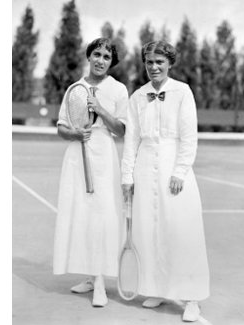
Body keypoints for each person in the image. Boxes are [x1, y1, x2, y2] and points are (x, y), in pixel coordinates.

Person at [121, 41, 210, 322]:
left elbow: (189, 136)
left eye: (159, 62)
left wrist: (180, 171)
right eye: (149, 62)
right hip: (145, 169)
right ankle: (157, 289)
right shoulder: (137, 97)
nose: (154, 67)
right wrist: (127, 176)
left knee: (182, 232)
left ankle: (191, 298)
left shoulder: (182, 92)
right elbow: (131, 139)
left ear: (170, 63)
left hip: (174, 168)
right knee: (151, 232)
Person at [53, 38, 128, 307]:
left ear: (112, 62)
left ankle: (100, 284)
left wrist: (101, 110)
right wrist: (75, 133)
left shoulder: (118, 89)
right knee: (82, 215)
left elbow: (122, 130)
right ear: (89, 56)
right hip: (77, 155)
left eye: (106, 57)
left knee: (102, 216)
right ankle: (90, 275)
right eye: (96, 54)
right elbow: (61, 126)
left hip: (104, 158)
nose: (100, 60)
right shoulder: (75, 88)